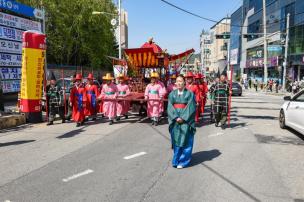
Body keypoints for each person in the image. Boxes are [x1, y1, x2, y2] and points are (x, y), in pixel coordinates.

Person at [167, 75, 196, 169]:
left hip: (186, 119)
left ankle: (183, 161)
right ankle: (176, 160)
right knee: (176, 139)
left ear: (184, 82)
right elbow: (170, 107)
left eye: (180, 81)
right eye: (177, 81)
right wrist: (175, 117)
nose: (178, 83)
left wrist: (183, 117)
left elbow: (191, 107)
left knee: (185, 140)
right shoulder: (172, 94)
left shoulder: (190, 93)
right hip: (175, 119)